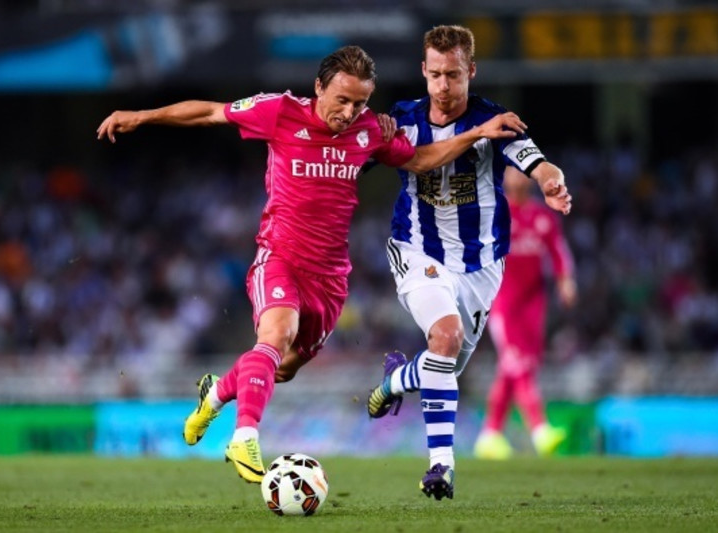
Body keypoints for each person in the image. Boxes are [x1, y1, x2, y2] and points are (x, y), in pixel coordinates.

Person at [97, 45, 528, 484]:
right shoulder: (278, 111)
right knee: (275, 334)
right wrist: (142, 116)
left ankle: (216, 394)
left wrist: (476, 133)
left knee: (283, 366)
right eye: (341, 99)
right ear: (319, 87)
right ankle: (244, 434)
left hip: (330, 276)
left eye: (360, 102)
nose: (350, 111)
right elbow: (209, 112)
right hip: (279, 256)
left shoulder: (370, 132)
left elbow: (419, 160)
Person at [366, 25, 572, 500]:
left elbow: (539, 162)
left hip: (481, 266)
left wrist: (550, 181)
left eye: (453, 75)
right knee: (446, 335)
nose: (443, 86)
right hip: (418, 249)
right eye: (435, 74)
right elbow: (360, 157)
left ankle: (398, 379)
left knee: (445, 367)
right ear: (423, 71)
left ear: (471, 71)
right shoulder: (402, 120)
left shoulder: (494, 121)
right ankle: (442, 466)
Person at [473, 167, 577, 460]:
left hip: (534, 304)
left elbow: (558, 251)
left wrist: (566, 280)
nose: (517, 178)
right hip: (503, 302)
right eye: (511, 173)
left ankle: (489, 435)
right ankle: (540, 430)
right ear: (503, 179)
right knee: (517, 363)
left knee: (516, 366)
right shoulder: (492, 213)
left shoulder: (543, 217)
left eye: (521, 173)